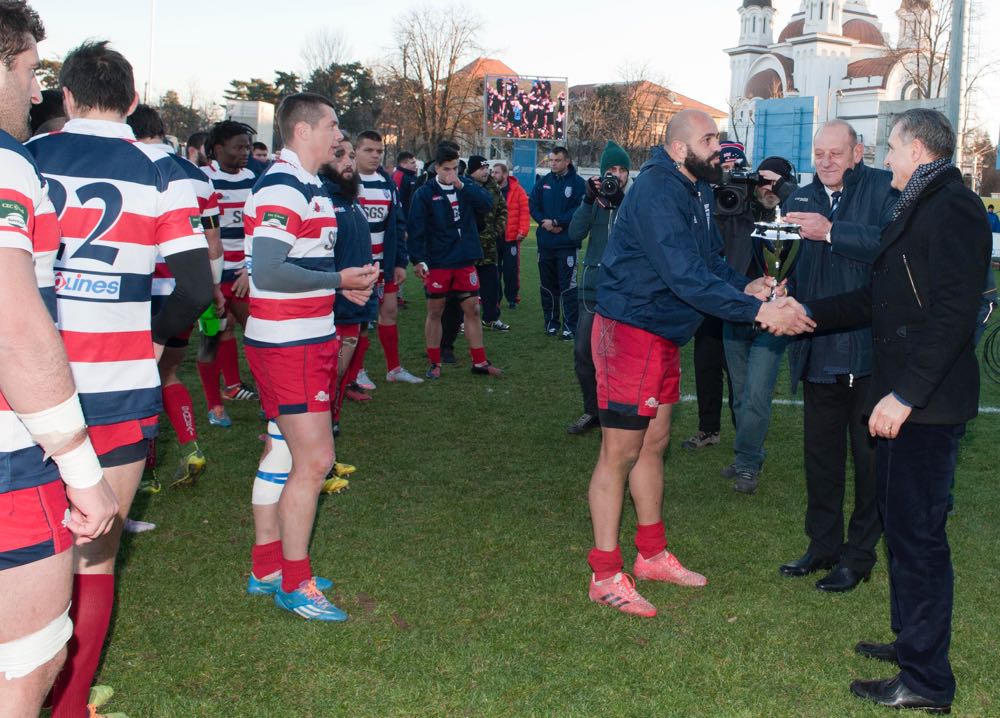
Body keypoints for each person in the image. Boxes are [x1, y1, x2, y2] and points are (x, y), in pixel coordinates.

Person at [30, 41, 214, 717]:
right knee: (96, 557)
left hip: (25, 386)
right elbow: (196, 286)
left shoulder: (26, 160)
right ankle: (71, 703)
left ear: (67, 98)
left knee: (22, 548)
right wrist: (154, 339)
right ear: (133, 104)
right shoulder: (160, 171)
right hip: (118, 385)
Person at [585, 109, 813, 616]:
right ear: (676, 148)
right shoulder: (656, 191)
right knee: (618, 453)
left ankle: (651, 554)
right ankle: (604, 574)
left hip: (661, 334)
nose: (718, 147)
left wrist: (747, 285)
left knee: (655, 444)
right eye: (708, 139)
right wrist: (759, 310)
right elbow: (684, 276)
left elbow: (709, 262)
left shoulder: (696, 189)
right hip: (629, 332)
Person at [801, 108, 991, 715]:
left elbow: (953, 314)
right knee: (905, 531)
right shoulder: (917, 203)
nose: (885, 159)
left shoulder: (952, 207)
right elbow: (879, 297)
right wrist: (809, 312)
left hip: (924, 406)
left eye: (891, 147)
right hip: (905, 397)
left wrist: (906, 395)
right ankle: (913, 644)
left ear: (914, 147)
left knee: (918, 539)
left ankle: (928, 680)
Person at [0, 5, 118, 714]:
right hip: (14, 462)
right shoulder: (7, 161)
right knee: (25, 669)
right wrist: (81, 470)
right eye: (30, 71)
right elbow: (15, 327)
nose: (36, 92)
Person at [241, 92, 377, 621]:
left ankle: (267, 567)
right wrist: (339, 280)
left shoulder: (309, 186)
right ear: (302, 131)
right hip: (288, 344)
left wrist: (344, 291)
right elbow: (270, 270)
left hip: (305, 337)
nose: (338, 137)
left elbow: (296, 267)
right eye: (332, 126)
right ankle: (295, 583)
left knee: (282, 453)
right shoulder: (281, 184)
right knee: (315, 461)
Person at [780, 120, 898, 593]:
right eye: (819, 153)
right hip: (818, 350)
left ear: (857, 152)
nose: (826, 161)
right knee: (821, 459)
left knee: (869, 464)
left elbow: (892, 250)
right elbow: (787, 259)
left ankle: (858, 555)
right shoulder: (798, 199)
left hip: (871, 352)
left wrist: (831, 232)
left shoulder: (885, 190)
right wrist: (780, 285)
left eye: (836, 153)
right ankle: (822, 546)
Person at [128, 103, 225, 491]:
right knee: (166, 371)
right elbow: (213, 241)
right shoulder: (200, 178)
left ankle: (141, 469)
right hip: (184, 291)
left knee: (135, 379)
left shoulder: (126, 164)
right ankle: (189, 445)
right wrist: (213, 289)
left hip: (136, 291)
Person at [717, 155, 799, 494]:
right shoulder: (737, 209)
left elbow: (806, 197)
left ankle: (748, 463)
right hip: (737, 312)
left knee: (755, 395)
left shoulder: (796, 216)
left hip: (773, 318)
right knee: (738, 395)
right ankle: (746, 451)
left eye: (774, 183)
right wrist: (730, 183)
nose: (767, 189)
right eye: (762, 182)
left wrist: (784, 188)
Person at [408, 143, 502, 379]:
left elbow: (488, 204)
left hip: (465, 258)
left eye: (455, 169)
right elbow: (416, 228)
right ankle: (434, 362)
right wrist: (417, 260)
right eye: (447, 169)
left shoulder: (465, 186)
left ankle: (479, 362)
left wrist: (463, 185)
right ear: (437, 168)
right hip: (439, 262)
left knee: (473, 308)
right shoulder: (424, 193)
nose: (452, 174)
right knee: (436, 310)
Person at [680, 141, 748, 451]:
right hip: (709, 294)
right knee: (706, 365)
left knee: (738, 372)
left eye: (736, 170)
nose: (729, 177)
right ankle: (708, 430)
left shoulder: (753, 202)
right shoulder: (703, 198)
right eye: (725, 169)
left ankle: (744, 436)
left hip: (740, 295)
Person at [566, 140, 630, 435]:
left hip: (625, 291)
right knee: (583, 353)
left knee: (618, 355)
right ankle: (591, 410)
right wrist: (588, 200)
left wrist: (621, 204)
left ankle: (616, 413)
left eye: (621, 170)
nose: (616, 176)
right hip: (592, 289)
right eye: (611, 170)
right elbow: (575, 233)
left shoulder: (634, 202)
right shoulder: (594, 201)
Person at [198, 120, 260, 427]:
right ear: (218, 148)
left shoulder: (256, 179)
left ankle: (264, 397)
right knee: (212, 335)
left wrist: (249, 269)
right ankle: (215, 405)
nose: (245, 152)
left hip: (244, 273)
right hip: (212, 274)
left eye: (248, 146)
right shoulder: (202, 180)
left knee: (259, 334)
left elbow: (261, 231)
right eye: (238, 147)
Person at [353, 130, 421, 387]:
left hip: (385, 263)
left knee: (389, 312)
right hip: (357, 267)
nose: (374, 155)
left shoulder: (387, 183)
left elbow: (397, 225)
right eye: (368, 150)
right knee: (359, 320)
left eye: (379, 151)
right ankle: (356, 370)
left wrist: (400, 262)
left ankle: (393, 368)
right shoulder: (346, 182)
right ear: (356, 152)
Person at [322, 136, 376, 455]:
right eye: (339, 155)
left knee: (339, 376)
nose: (348, 162)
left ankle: (331, 423)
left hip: (353, 305)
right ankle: (297, 431)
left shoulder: (351, 200)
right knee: (327, 375)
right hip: (330, 307)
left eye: (350, 156)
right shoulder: (320, 199)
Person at [530, 146, 586, 339]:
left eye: (557, 160)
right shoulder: (543, 182)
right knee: (547, 286)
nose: (553, 163)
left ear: (567, 161)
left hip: (567, 244)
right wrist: (544, 223)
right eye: (551, 160)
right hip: (546, 244)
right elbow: (533, 205)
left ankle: (570, 326)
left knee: (568, 287)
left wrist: (557, 222)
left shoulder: (578, 184)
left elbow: (578, 209)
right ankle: (551, 323)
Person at [492, 162, 529, 310]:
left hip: (511, 237)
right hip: (494, 237)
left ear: (505, 174)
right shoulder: (489, 189)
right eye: (492, 172)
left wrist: (523, 231)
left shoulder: (518, 190)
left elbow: (524, 212)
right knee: (493, 270)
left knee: (511, 270)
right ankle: (495, 298)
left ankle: (512, 298)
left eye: (496, 172)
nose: (493, 175)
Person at [392, 150, 418, 218]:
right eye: (413, 163)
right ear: (403, 164)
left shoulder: (413, 176)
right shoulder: (398, 176)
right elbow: (397, 200)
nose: (415, 165)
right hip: (405, 218)